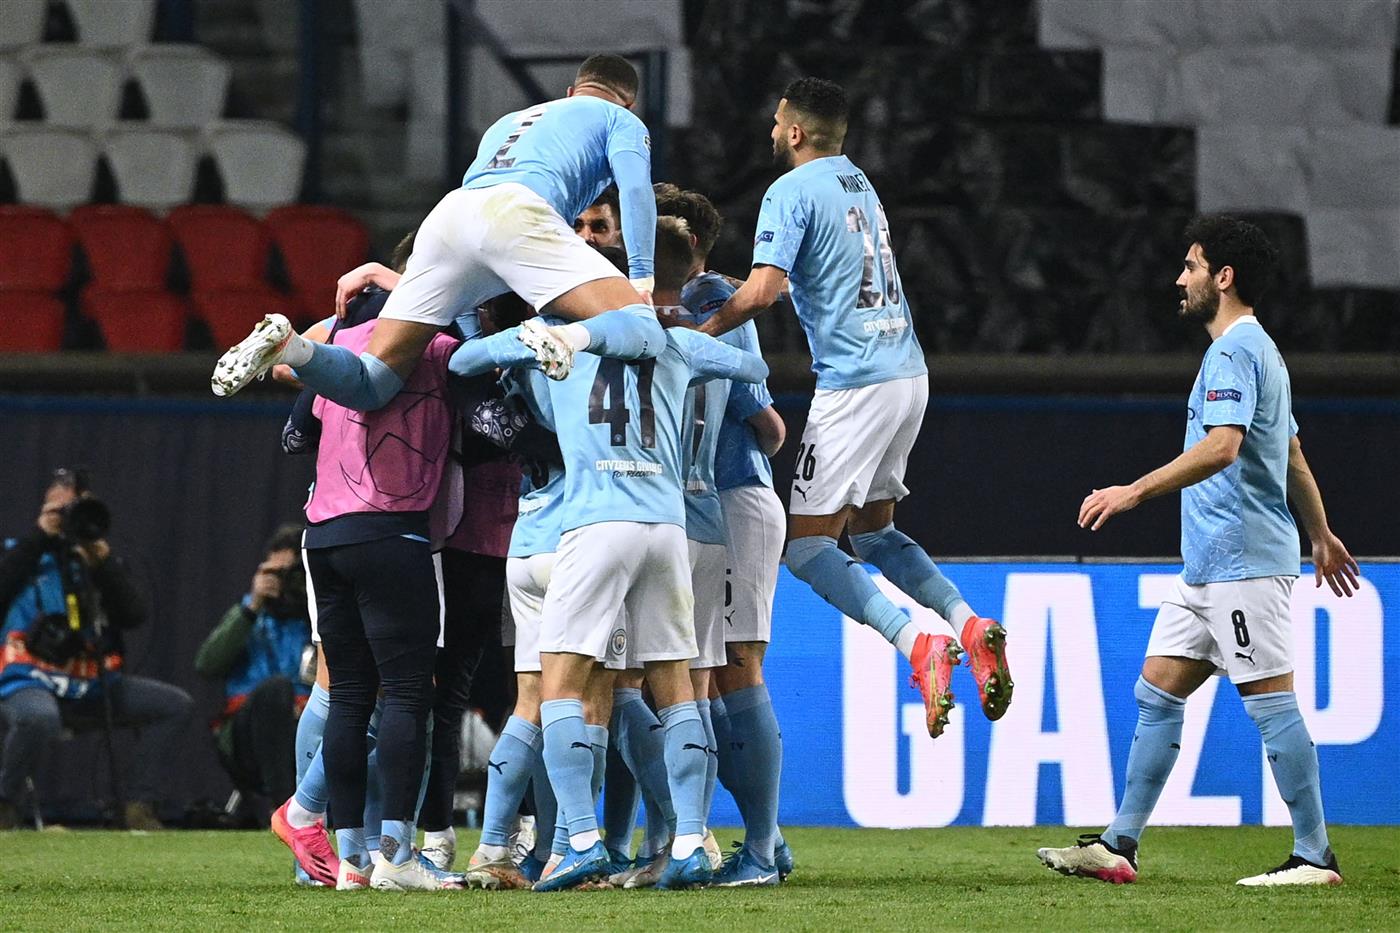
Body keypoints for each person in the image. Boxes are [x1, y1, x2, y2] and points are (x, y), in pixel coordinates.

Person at [1037, 216, 1358, 888]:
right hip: (1208, 567)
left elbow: (1225, 446)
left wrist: (1134, 491)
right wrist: (1322, 534)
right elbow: (1291, 451)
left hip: (1243, 563)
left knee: (1271, 702)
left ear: (1224, 276)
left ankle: (1313, 855)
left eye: (1190, 266)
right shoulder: (1258, 349)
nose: (1180, 279)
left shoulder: (1235, 351)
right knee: (1157, 688)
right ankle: (1120, 842)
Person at [697, 77, 1012, 739]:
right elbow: (797, 277)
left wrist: (689, 337)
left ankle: (916, 645)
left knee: (808, 549)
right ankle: (968, 624)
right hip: (907, 371)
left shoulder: (787, 191)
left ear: (795, 131)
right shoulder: (856, 183)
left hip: (856, 383)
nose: (772, 129)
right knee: (873, 533)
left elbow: (762, 294)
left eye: (777, 120)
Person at [211, 54, 664, 412]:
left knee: (373, 381)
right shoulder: (619, 120)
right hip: (518, 212)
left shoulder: (511, 120)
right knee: (644, 331)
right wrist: (642, 278)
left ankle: (293, 349)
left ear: (569, 91)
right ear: (628, 102)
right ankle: (551, 337)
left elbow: (476, 265)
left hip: (449, 215)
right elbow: (635, 188)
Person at [298, 308, 463, 891]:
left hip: (324, 534)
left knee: (347, 696)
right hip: (393, 529)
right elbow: (494, 425)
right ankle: (396, 855)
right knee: (408, 693)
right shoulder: (442, 346)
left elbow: (299, 433)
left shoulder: (342, 342)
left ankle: (352, 863)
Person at [657, 187, 792, 884]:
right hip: (719, 504)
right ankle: (757, 836)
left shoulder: (713, 301)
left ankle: (762, 848)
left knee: (735, 672)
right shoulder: (709, 298)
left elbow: (768, 423)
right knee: (704, 682)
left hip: (734, 499)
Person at [0, 469, 192, 831]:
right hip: (29, 680)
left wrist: (102, 564)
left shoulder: (98, 562)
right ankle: (5, 806)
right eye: (58, 510)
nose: (67, 519)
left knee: (174, 706)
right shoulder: (21, 555)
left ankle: (138, 806)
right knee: (39, 718)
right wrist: (41, 537)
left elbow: (134, 615)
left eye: (74, 510)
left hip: (92, 685)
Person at [194, 523, 313, 824]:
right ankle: (287, 813)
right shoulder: (249, 616)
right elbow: (206, 664)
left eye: (294, 573)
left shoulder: (321, 620)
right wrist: (253, 605)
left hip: (311, 730)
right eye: (279, 573)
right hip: (246, 740)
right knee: (276, 690)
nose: (287, 582)